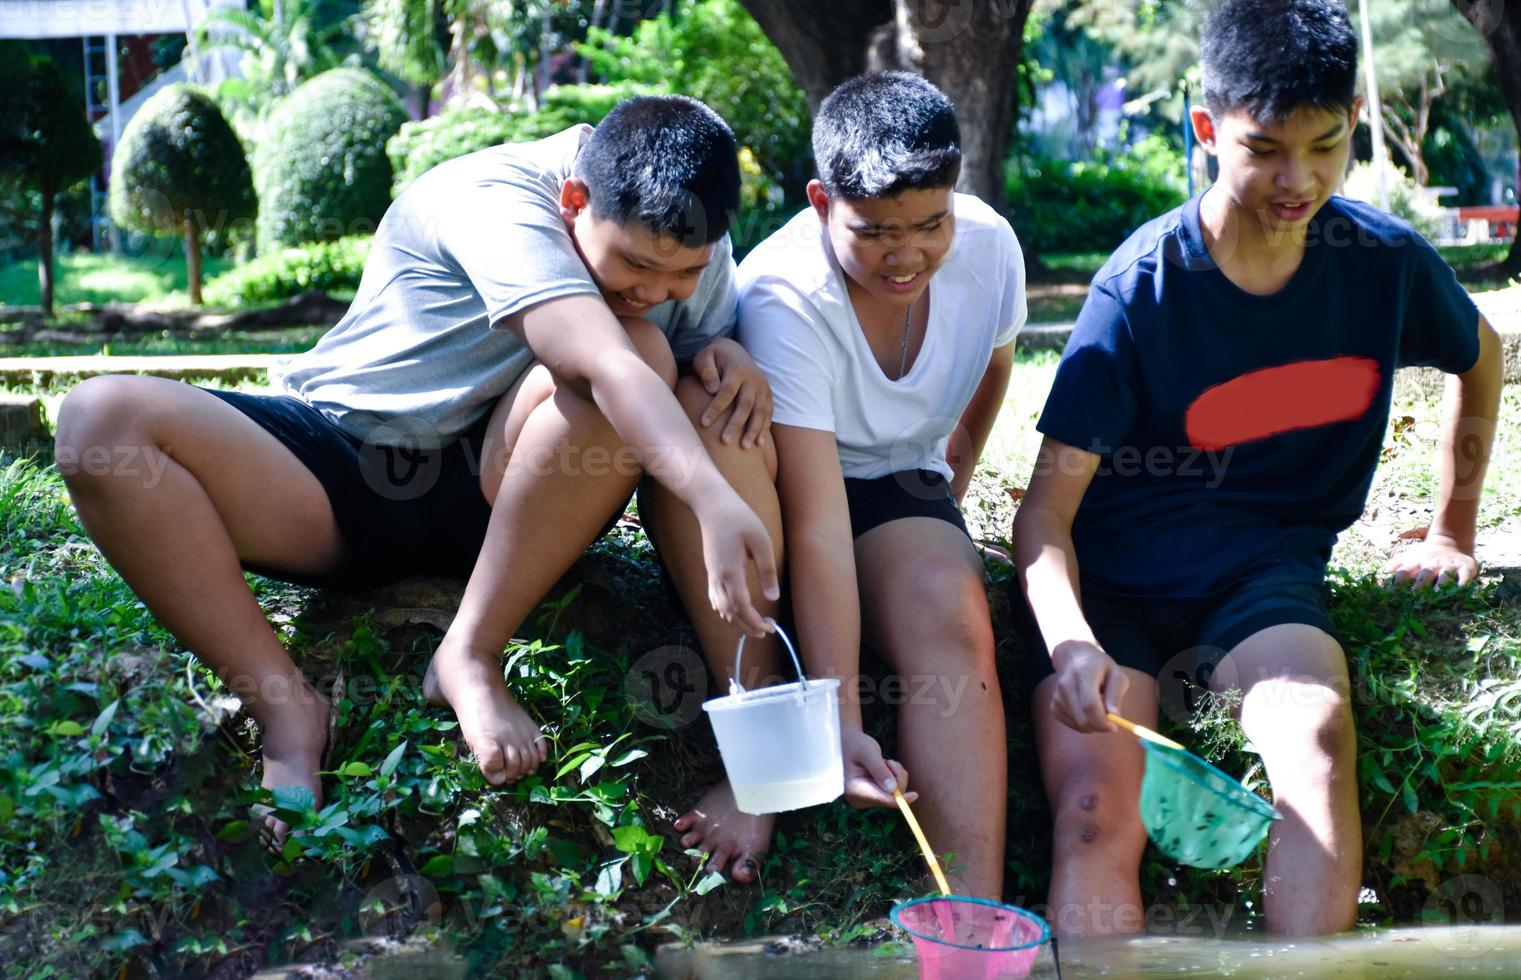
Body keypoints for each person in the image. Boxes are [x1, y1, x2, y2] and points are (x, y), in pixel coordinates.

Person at [54, 95, 790, 873]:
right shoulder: (496, 201)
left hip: (510, 495)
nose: (656, 287)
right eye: (636, 265)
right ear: (574, 202)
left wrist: (724, 350)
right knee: (102, 419)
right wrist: (711, 497)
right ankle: (289, 715)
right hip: (337, 469)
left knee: (651, 352)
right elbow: (599, 362)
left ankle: (473, 655)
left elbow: (680, 351)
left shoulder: (682, 227)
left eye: (685, 273)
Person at [1012, 0, 1502, 937]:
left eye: (1324, 145)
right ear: (1207, 128)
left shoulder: (1381, 262)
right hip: (1109, 593)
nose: (1298, 177)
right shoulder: (1136, 291)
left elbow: (1480, 357)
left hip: (1261, 577)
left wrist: (1451, 526)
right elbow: (1042, 518)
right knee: (1094, 811)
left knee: (1316, 738)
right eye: (1265, 148)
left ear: (1353, 120)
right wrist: (1072, 639)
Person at [733, 72, 1026, 899]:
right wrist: (843, 721)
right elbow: (821, 527)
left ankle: (969, 916)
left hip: (900, 479)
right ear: (821, 202)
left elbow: (995, 367)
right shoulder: (783, 293)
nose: (908, 255)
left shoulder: (989, 245)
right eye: (875, 233)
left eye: (931, 224)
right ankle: (770, 752)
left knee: (950, 607)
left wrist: (951, 487)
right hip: (781, 485)